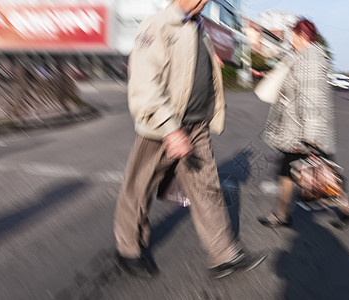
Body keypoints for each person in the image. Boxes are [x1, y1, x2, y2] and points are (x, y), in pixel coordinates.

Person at [113, 0, 265, 279]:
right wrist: (170, 129)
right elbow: (144, 83)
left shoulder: (198, 28)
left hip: (196, 126)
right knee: (139, 187)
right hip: (163, 126)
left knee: (208, 190)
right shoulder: (158, 24)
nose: (204, 2)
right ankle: (127, 250)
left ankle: (224, 255)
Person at [257, 19, 349, 229]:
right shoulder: (301, 57)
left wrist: (311, 138)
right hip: (298, 130)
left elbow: (311, 98)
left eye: (293, 35)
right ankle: (283, 213)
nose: (291, 39)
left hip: (303, 133)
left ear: (302, 35)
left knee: (318, 175)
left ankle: (283, 214)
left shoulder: (310, 58)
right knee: (297, 172)